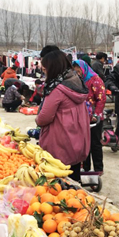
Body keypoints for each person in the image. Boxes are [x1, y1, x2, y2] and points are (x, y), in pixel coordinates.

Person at [36, 51, 90, 182]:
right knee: (74, 180)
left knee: (59, 185)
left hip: (60, 143)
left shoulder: (57, 89)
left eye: (45, 69)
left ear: (52, 68)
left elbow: (44, 118)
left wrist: (37, 119)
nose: (44, 73)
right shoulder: (76, 82)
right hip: (77, 139)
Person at [73, 59, 106, 173]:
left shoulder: (95, 80)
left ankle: (98, 168)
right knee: (84, 143)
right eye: (76, 72)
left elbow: (101, 99)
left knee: (95, 143)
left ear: (84, 69)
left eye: (79, 71)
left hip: (95, 118)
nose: (78, 74)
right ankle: (85, 168)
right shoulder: (78, 81)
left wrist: (96, 114)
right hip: (83, 117)